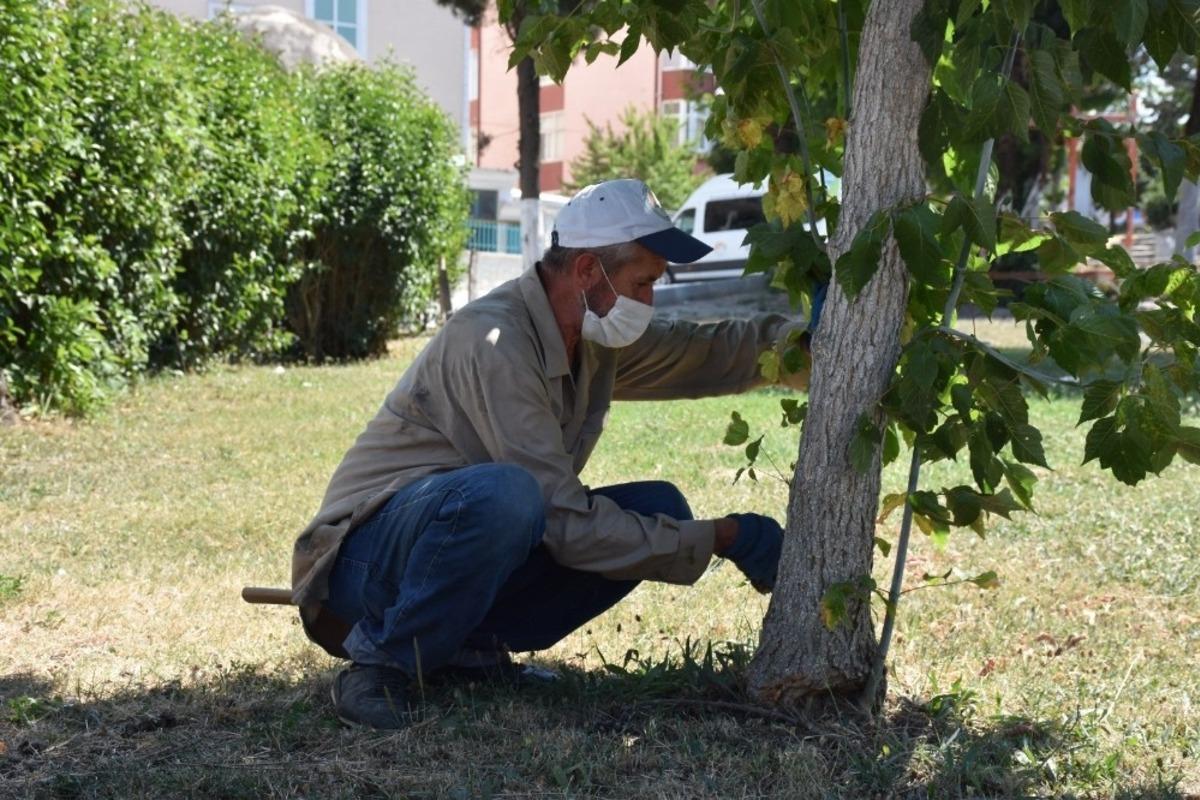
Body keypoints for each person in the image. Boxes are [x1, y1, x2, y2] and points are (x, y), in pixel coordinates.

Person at [290, 178, 822, 729]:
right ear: (588, 271)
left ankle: (467, 654)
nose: (650, 301)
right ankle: (381, 663)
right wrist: (726, 536)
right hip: (359, 568)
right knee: (510, 495)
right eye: (642, 283)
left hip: (452, 546)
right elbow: (561, 520)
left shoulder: (589, 333)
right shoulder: (493, 341)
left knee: (656, 505)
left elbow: (701, 353)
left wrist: (805, 345)